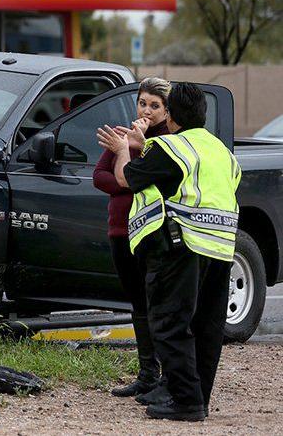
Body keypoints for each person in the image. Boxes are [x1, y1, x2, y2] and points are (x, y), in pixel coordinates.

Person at [97, 83, 241, 422]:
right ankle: (197, 400)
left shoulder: (171, 147)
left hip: (181, 247)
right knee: (207, 328)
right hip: (221, 249)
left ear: (171, 116)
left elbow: (126, 179)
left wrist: (123, 150)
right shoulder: (223, 152)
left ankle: (186, 401)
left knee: (170, 324)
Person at [93, 77, 170, 399]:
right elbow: (99, 177)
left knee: (159, 304)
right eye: (142, 103)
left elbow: (154, 181)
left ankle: (168, 378)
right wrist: (127, 180)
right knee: (138, 303)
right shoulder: (121, 136)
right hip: (120, 230)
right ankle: (147, 374)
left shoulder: (167, 141)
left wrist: (130, 168)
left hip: (152, 231)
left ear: (167, 111)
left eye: (154, 106)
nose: (146, 111)